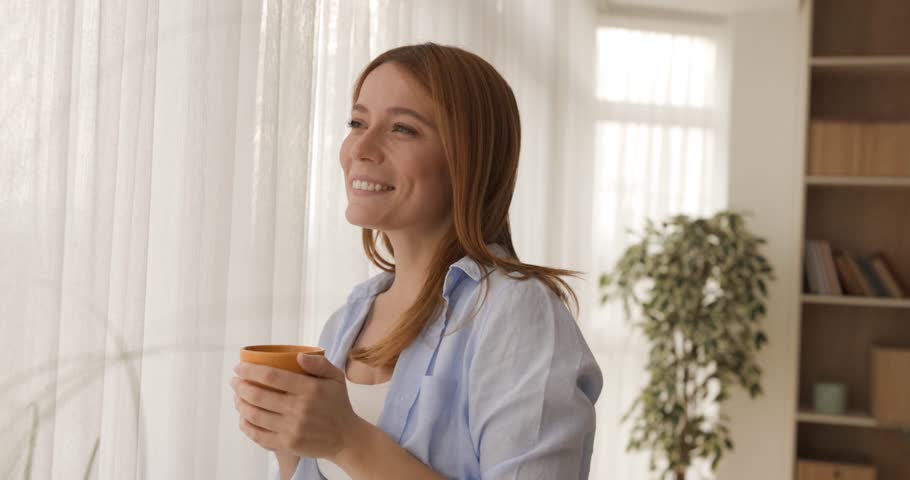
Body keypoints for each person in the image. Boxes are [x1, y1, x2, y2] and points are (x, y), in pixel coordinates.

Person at [230, 42, 602, 480]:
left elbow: (348, 446)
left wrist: (348, 439)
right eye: (357, 122)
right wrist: (290, 443)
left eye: (403, 129)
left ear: (468, 158)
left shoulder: (517, 314)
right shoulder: (348, 320)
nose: (361, 148)